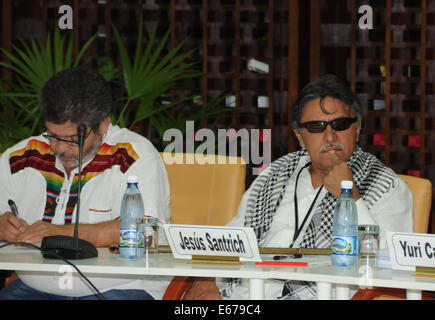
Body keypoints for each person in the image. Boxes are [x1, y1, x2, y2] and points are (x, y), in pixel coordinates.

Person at [184, 74, 413, 300]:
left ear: (357, 128)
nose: (330, 135)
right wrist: (207, 278)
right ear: (300, 136)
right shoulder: (275, 174)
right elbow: (233, 237)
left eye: (341, 124)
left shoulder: (386, 186)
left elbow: (392, 264)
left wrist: (351, 196)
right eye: (316, 127)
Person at [0, 67, 171, 300]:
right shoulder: (21, 157)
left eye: (72, 139)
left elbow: (144, 231)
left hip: (118, 290)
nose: (59, 148)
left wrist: (58, 233)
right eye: (51, 134)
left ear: (103, 125)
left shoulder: (134, 156)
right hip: (35, 289)